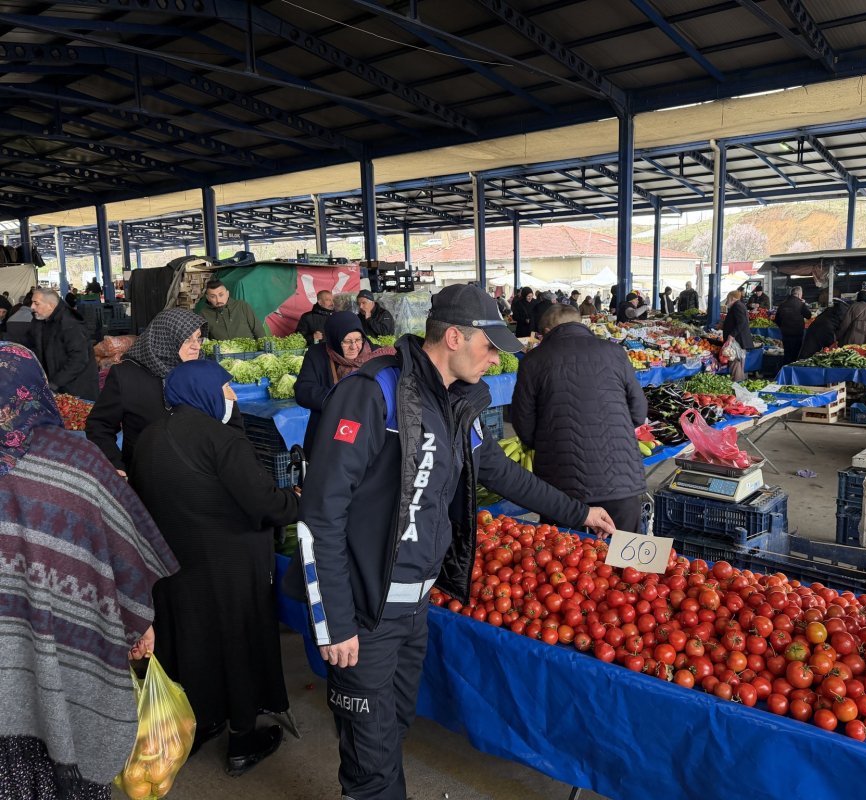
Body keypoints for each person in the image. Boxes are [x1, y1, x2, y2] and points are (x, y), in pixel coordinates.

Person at [294, 284, 614, 800]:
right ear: (453, 338)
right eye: (489, 347)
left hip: (415, 611)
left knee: (391, 732)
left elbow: (503, 473)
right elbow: (320, 516)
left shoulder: (457, 406)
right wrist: (334, 622)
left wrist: (579, 512)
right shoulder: (374, 394)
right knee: (371, 764)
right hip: (365, 614)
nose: (495, 359)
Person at [0, 343, 177, 800]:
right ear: (34, 388)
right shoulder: (77, 463)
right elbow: (127, 549)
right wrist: (140, 625)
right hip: (69, 647)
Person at [131, 360, 300, 776]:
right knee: (237, 644)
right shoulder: (223, 440)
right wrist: (299, 498)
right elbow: (264, 504)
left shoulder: (149, 436)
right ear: (205, 390)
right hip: (229, 567)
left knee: (191, 644)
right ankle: (243, 738)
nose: (232, 397)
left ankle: (201, 722)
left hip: (173, 567)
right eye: (227, 388)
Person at [512, 304, 647, 530]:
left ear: (545, 332)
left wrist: (552, 441)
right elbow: (639, 412)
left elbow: (523, 425)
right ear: (582, 323)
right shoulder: (614, 352)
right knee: (624, 559)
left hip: (560, 485)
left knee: (567, 557)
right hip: (620, 479)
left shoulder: (533, 360)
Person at [85, 308, 231, 479]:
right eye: (186, 339)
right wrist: (115, 464)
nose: (196, 346)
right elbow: (99, 425)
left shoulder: (203, 372)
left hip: (199, 475)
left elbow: (227, 423)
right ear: (165, 338)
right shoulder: (127, 376)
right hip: (148, 477)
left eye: (198, 337)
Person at [294, 312, 395, 456]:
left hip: (367, 434)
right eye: (347, 341)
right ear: (335, 339)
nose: (354, 347)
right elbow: (303, 391)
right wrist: (341, 399)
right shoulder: (317, 355)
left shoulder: (376, 355)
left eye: (358, 340)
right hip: (328, 434)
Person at [26, 287, 98, 399]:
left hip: (76, 388)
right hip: (55, 385)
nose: (32, 307)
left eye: (36, 303)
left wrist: (55, 383)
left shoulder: (70, 323)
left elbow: (79, 359)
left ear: (50, 305)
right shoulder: (40, 320)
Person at [720, 290, 755, 381]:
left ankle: (737, 386)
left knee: (735, 363)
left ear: (731, 298)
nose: (727, 302)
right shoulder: (739, 305)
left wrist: (732, 335)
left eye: (728, 299)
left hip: (738, 340)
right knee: (739, 363)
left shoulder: (737, 306)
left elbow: (742, 322)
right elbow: (737, 321)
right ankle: (740, 385)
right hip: (740, 340)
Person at [773, 286, 812, 365]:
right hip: (797, 333)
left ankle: (785, 369)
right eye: (801, 294)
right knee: (796, 353)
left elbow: (776, 320)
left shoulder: (782, 304)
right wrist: (804, 305)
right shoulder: (801, 304)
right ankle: (793, 369)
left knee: (787, 353)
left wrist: (783, 326)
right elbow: (808, 315)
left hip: (785, 333)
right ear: (798, 294)